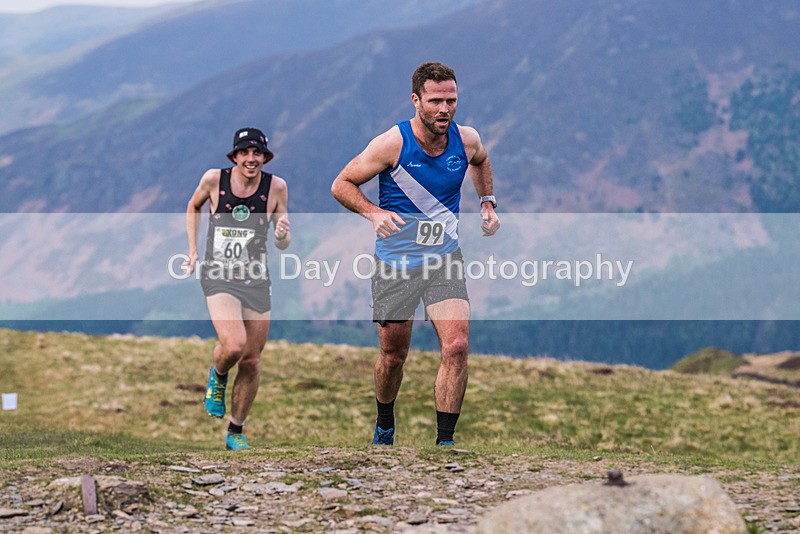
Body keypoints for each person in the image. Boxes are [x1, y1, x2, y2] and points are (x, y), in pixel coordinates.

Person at [331, 62, 500, 446]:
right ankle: (386, 422)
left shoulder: (466, 138)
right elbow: (341, 184)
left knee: (456, 346)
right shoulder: (391, 144)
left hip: (444, 259)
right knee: (393, 356)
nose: (445, 109)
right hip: (396, 263)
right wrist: (373, 213)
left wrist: (487, 202)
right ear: (416, 100)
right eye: (436, 101)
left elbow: (482, 160)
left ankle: (445, 444)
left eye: (451, 101)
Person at [184, 127, 290, 450]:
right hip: (219, 276)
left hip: (256, 280)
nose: (251, 159)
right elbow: (193, 206)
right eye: (244, 153)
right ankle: (217, 375)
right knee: (234, 346)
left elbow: (283, 243)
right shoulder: (214, 180)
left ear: (265, 157)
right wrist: (192, 250)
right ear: (234, 157)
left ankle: (236, 431)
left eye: (257, 153)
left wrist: (282, 233)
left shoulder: (276, 188)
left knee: (252, 361)